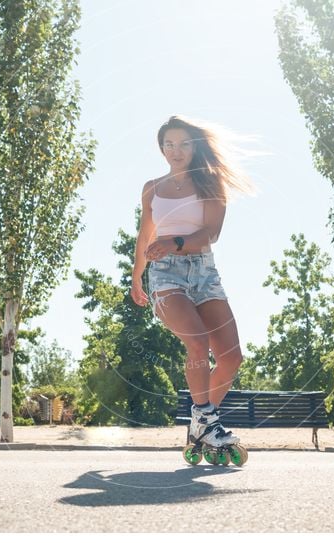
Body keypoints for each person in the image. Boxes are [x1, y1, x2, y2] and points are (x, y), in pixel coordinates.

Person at [130, 114, 253, 455]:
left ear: (195, 146)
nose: (176, 150)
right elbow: (146, 235)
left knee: (231, 357)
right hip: (165, 274)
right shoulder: (152, 188)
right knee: (198, 343)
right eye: (169, 144)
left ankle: (200, 424)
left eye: (183, 143)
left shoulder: (212, 183)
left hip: (203, 272)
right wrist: (136, 275)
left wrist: (176, 242)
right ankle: (209, 423)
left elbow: (210, 234)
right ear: (161, 149)